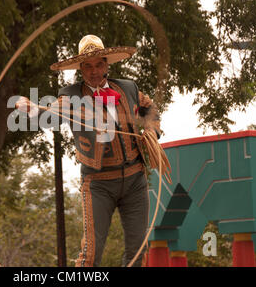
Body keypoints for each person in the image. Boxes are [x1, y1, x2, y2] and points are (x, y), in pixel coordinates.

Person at [15, 35, 161, 267]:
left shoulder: (127, 87)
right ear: (81, 69)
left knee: (138, 252)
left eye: (99, 64)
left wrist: (152, 131)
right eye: (88, 66)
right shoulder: (70, 96)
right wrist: (30, 108)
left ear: (107, 64)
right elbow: (49, 114)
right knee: (90, 254)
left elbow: (149, 108)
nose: (94, 71)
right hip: (98, 183)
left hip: (135, 180)